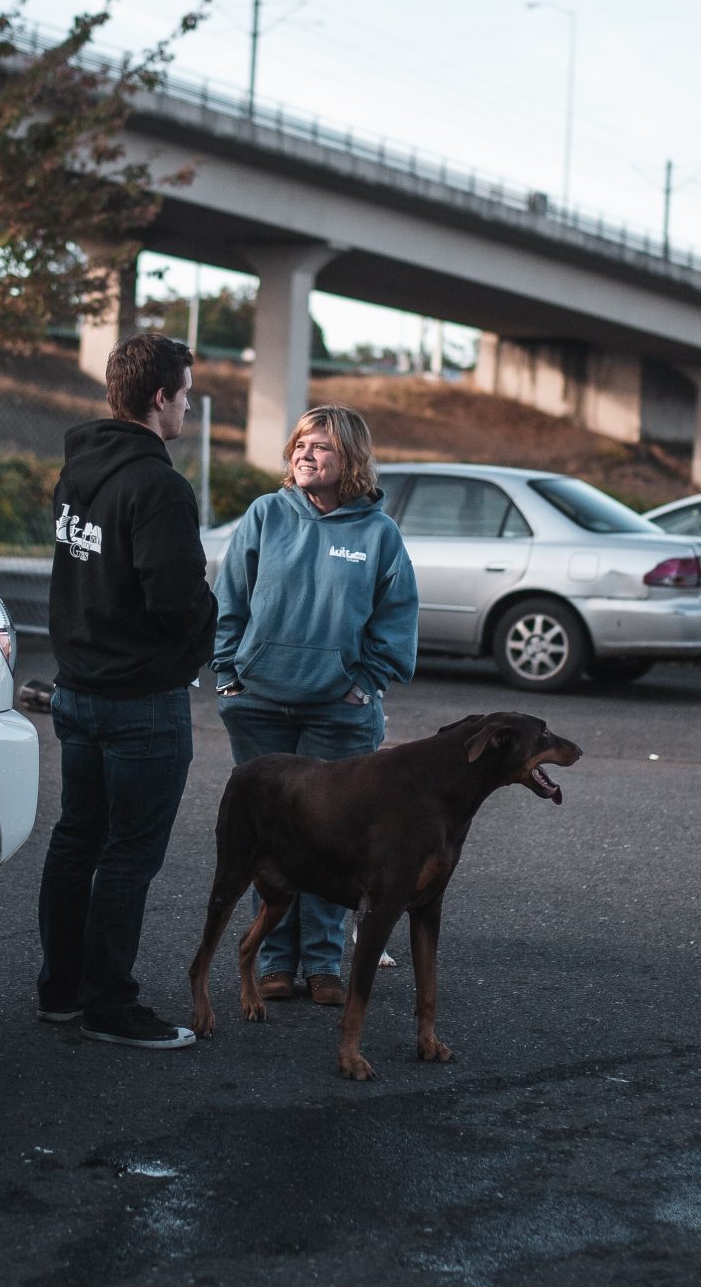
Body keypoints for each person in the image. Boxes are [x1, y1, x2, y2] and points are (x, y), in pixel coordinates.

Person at [36, 331, 216, 1049]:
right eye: (187, 395)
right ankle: (110, 1003)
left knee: (77, 839)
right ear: (160, 398)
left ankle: (60, 991)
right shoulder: (160, 485)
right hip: (141, 701)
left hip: (78, 690)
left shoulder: (78, 468)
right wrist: (206, 615)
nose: (188, 408)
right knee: (127, 856)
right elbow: (174, 599)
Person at [212, 405, 419, 1005]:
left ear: (349, 459)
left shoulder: (378, 534)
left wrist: (366, 681)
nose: (306, 454)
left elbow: (397, 616)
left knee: (336, 837)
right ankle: (274, 960)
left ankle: (325, 964)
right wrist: (229, 676)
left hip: (339, 711)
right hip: (259, 705)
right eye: (301, 443)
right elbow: (230, 599)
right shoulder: (266, 514)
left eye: (322, 447)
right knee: (270, 838)